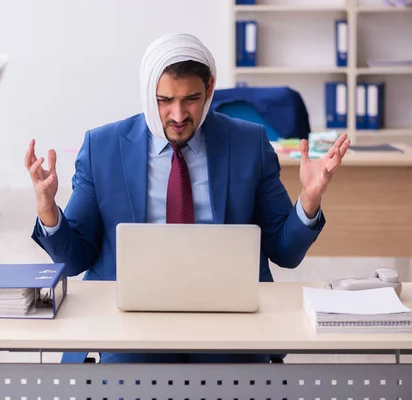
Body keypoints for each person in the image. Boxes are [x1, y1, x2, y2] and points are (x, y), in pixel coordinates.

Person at [25, 33, 350, 364]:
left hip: (228, 311)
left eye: (190, 99)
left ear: (209, 88)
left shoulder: (248, 143)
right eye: (164, 100)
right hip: (128, 315)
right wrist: (49, 210)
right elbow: (77, 258)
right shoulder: (103, 147)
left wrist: (308, 201)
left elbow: (285, 251)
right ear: (147, 93)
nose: (178, 115)